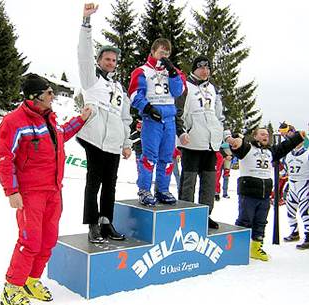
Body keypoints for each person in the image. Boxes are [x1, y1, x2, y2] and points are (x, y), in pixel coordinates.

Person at [0, 74, 91, 305]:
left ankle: (30, 280)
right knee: (30, 241)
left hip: (53, 190)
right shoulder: (14, 121)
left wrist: (81, 120)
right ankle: (12, 288)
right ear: (34, 97)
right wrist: (11, 191)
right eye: (48, 92)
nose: (52, 96)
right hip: (30, 193)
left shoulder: (50, 118)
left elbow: (61, 135)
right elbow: (4, 158)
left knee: (48, 240)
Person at [77, 3, 132, 244]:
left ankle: (106, 222)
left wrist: (127, 141)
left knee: (110, 185)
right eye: (107, 59)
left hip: (113, 142)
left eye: (114, 60)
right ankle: (92, 224)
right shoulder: (91, 80)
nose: (111, 62)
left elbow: (125, 117)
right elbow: (83, 54)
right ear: (99, 60)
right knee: (94, 183)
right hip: (94, 139)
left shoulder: (118, 88)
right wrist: (86, 23)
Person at [227, 127, 305, 261]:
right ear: (255, 136)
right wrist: (235, 141)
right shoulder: (247, 148)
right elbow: (237, 146)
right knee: (245, 220)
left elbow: (284, 147)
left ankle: (256, 247)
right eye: (262, 134)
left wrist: (298, 137)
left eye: (267, 134)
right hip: (248, 192)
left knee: (261, 222)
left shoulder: (270, 151)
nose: (266, 136)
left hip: (264, 194)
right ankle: (238, 248)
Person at [128, 37, 185, 206]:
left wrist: (173, 73)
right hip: (152, 119)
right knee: (149, 157)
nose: (164, 56)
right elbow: (134, 94)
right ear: (153, 52)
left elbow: (178, 91)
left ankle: (162, 189)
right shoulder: (142, 71)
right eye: (161, 52)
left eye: (167, 53)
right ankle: (144, 189)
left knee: (167, 158)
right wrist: (147, 109)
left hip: (169, 119)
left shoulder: (173, 71)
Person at [175, 55, 229, 229]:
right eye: (201, 67)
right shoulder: (185, 87)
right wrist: (181, 132)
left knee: (209, 181)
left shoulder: (213, 89)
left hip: (211, 143)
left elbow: (219, 115)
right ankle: (185, 214)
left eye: (208, 68)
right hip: (191, 141)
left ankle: (205, 214)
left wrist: (224, 135)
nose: (205, 71)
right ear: (194, 69)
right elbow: (178, 112)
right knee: (188, 182)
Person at [282, 138, 309, 249]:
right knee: (290, 210)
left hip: (304, 184)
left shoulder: (307, 154)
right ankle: (294, 232)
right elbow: (285, 170)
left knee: (304, 212)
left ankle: (308, 235)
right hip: (292, 184)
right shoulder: (288, 155)